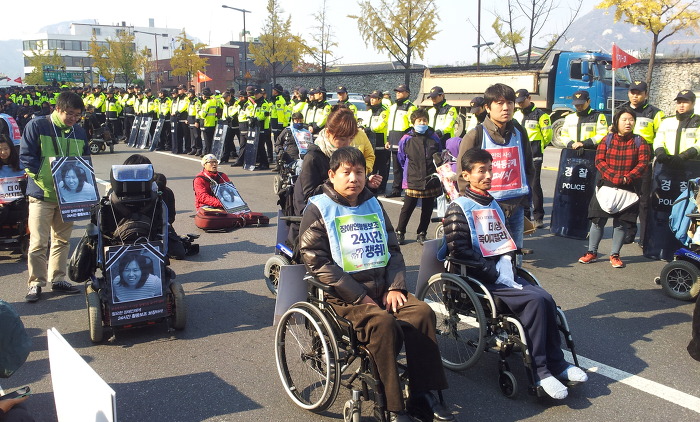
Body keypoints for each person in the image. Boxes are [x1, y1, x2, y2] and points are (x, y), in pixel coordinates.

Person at [299, 147, 453, 422]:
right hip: (344, 297)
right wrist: (359, 296)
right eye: (346, 172)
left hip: (383, 288)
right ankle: (393, 407)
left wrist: (395, 286)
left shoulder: (373, 203)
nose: (354, 178)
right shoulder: (318, 208)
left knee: (422, 313)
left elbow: (392, 249)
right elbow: (317, 261)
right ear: (332, 175)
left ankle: (423, 394)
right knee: (383, 324)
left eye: (359, 172)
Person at [443, 147, 588, 400]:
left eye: (490, 169)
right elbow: (459, 251)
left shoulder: (494, 204)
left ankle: (558, 363)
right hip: (478, 278)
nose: (488, 175)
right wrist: (492, 272)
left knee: (546, 298)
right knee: (535, 301)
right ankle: (542, 372)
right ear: (466, 175)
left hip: (503, 273)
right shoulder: (459, 208)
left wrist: (506, 261)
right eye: (481, 171)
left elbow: (506, 241)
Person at [20, 92, 88, 302]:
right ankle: (35, 283)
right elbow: (27, 158)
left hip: (68, 198)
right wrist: (48, 182)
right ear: (57, 109)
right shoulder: (37, 126)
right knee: (38, 242)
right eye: (70, 113)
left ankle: (58, 279)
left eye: (77, 115)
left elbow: (85, 162)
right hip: (42, 195)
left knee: (62, 240)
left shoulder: (79, 132)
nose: (73, 118)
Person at [456, 83, 534, 252]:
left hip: (516, 205)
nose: (506, 108)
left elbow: (528, 167)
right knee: (491, 254)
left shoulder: (519, 132)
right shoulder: (475, 135)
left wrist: (526, 200)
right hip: (486, 207)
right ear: (487, 107)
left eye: (510, 103)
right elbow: (462, 175)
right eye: (499, 103)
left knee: (515, 254)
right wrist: (469, 206)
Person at [578, 107, 651, 268]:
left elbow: (643, 163)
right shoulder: (607, 139)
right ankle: (591, 252)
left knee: (621, 223)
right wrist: (615, 177)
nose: (628, 123)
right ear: (617, 122)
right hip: (607, 185)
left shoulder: (640, 141)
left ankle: (615, 255)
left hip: (629, 187)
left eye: (631, 120)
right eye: (624, 120)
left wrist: (628, 177)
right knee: (598, 220)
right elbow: (599, 161)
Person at [623, 81, 664, 246]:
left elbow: (661, 136)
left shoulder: (655, 113)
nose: (635, 96)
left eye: (639, 93)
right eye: (632, 92)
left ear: (646, 94)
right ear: (628, 94)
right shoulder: (622, 110)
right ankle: (629, 232)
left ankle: (644, 237)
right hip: (625, 161)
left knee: (644, 201)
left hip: (644, 162)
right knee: (627, 198)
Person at [395, 108, 442, 245]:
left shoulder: (434, 137)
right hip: (412, 177)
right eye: (419, 120)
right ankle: (400, 232)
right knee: (407, 207)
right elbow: (401, 158)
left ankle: (422, 233)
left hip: (430, 178)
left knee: (427, 209)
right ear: (413, 122)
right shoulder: (406, 138)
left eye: (425, 120)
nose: (422, 123)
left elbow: (439, 155)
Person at [514, 89, 553, 228]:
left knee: (534, 186)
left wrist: (538, 147)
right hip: (519, 156)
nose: (520, 104)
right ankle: (525, 217)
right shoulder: (516, 115)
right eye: (518, 102)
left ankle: (538, 217)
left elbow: (547, 136)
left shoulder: (541, 115)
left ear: (529, 98)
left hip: (534, 156)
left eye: (522, 101)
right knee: (521, 186)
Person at [385, 84, 417, 197]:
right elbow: (389, 124)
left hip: (404, 139)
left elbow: (412, 125)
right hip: (393, 137)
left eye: (400, 91)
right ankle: (396, 189)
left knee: (406, 166)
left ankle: (407, 190)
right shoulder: (393, 107)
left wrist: (408, 138)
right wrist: (388, 139)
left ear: (407, 93)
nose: (398, 93)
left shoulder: (410, 107)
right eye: (397, 92)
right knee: (396, 167)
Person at [0, 135, 27, 226]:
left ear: (11, 148)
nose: (3, 152)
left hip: (18, 202)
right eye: (0, 149)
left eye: (6, 149)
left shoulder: (21, 165)